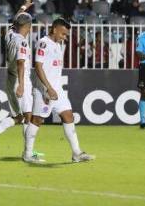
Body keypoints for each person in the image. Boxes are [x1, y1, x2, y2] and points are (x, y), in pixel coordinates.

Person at [26, 18, 94, 164]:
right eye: (63, 34)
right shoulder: (43, 43)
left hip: (57, 90)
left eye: (66, 35)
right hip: (44, 90)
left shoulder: (57, 45)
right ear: (54, 29)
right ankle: (28, 154)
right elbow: (38, 66)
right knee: (37, 120)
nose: (64, 37)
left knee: (68, 116)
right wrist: (48, 88)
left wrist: (54, 88)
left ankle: (76, 153)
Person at [0, 1, 39, 156]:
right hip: (20, 79)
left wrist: (23, 7)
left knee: (18, 117)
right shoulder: (22, 42)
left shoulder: (10, 33)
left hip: (9, 78)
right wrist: (21, 85)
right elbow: (21, 63)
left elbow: (16, 19)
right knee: (28, 116)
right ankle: (29, 151)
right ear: (28, 26)